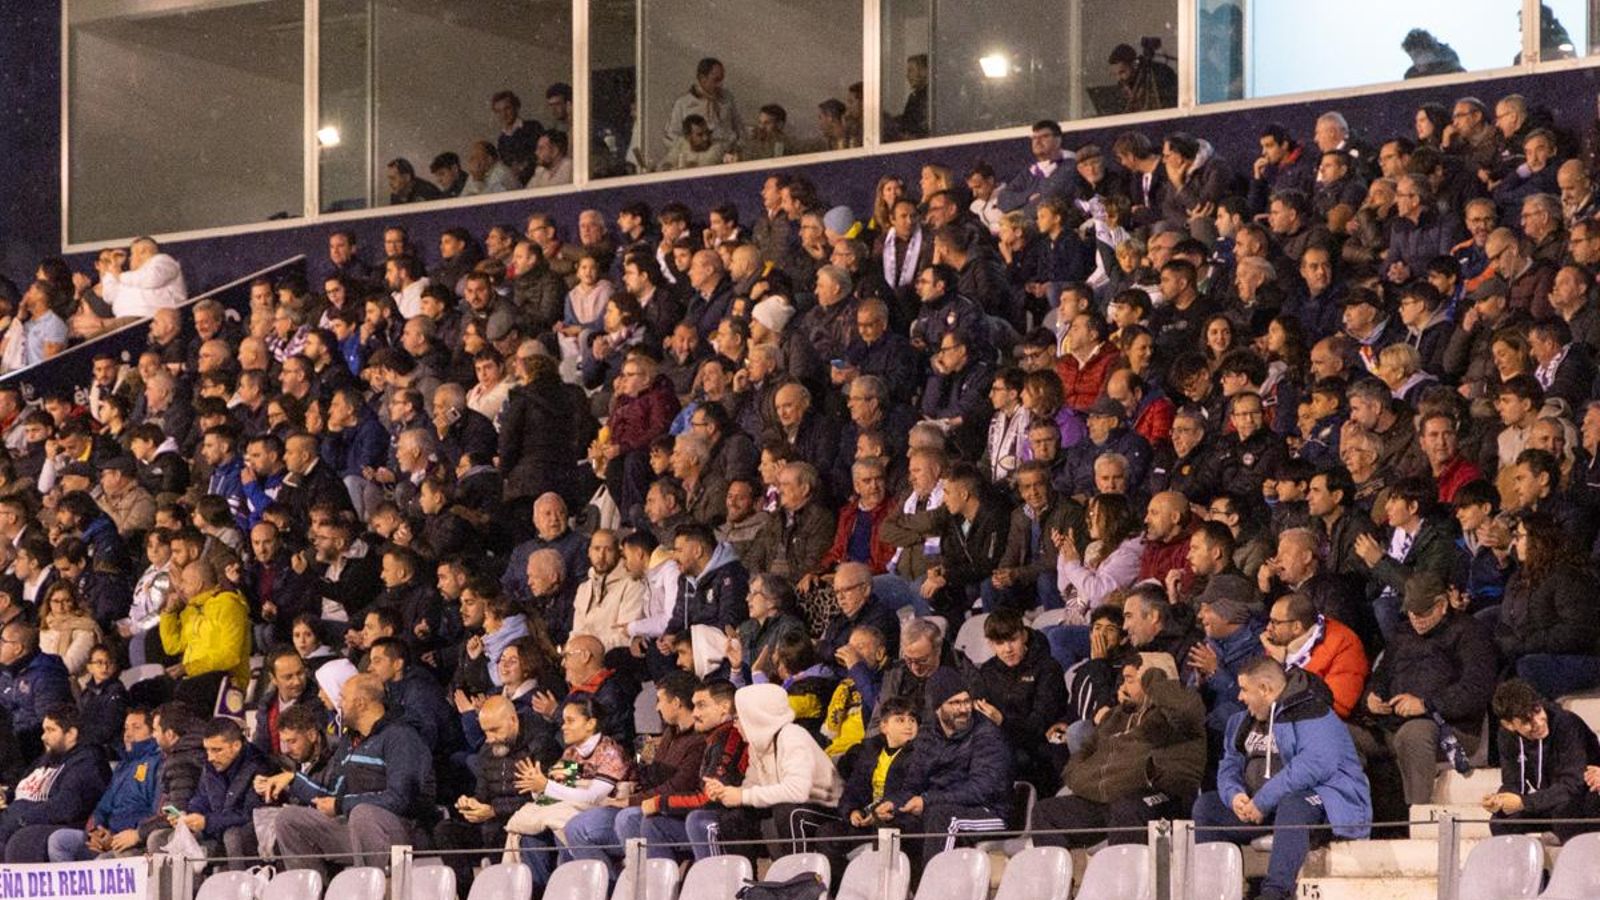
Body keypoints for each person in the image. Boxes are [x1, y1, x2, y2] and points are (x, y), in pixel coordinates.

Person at [1194, 659, 1372, 900]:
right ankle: (1213, 893)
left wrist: (1263, 800)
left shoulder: (1314, 712)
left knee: (1294, 803)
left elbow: (1314, 764)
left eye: (1245, 689)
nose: (1239, 697)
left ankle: (1275, 893)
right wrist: (1234, 794)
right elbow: (1229, 764)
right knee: (1207, 807)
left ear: (1265, 689)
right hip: (1263, 808)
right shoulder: (1241, 721)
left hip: (1325, 803)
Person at [1032, 653, 1205, 848]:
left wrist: (1156, 681)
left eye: (1130, 680)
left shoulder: (1180, 711)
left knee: (1127, 809)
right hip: (1109, 798)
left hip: (1164, 797)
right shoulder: (1117, 716)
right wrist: (1086, 782)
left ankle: (1127, 878)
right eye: (1123, 680)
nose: (1122, 687)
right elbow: (1084, 754)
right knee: (1045, 813)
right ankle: (1060, 877)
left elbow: (1181, 714)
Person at [274, 674, 436, 882]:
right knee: (289, 820)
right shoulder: (350, 740)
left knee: (363, 814)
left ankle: (371, 890)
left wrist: (343, 805)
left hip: (405, 829)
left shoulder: (401, 736)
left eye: (343, 698)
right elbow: (333, 795)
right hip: (355, 827)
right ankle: (315, 891)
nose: (339, 703)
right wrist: (294, 780)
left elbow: (401, 799)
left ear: (360, 703)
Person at [684, 683, 842, 862]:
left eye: (738, 718)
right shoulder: (758, 745)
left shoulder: (792, 736)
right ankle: (745, 881)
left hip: (827, 811)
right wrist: (725, 793)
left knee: (788, 811)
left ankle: (799, 878)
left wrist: (742, 796)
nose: (735, 725)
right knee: (735, 816)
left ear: (756, 718)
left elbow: (797, 791)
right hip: (788, 806)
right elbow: (751, 786)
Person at [1484, 679, 1600, 841]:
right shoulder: (1506, 737)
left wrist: (1524, 802)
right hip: (1550, 800)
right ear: (1509, 724)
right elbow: (1513, 782)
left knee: (1565, 812)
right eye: (1526, 721)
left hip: (1583, 799)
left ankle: (1575, 862)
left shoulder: (1566, 723)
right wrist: (1501, 800)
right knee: (1500, 822)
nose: (1538, 723)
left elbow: (1574, 784)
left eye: (1538, 711)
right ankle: (1523, 865)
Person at [46, 708, 161, 862]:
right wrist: (95, 832)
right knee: (59, 840)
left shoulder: (159, 763)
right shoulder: (123, 765)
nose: (128, 734)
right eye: (126, 728)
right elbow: (103, 805)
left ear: (152, 732)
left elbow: (156, 812)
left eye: (136, 727)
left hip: (132, 839)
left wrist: (124, 835)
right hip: (109, 836)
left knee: (102, 862)